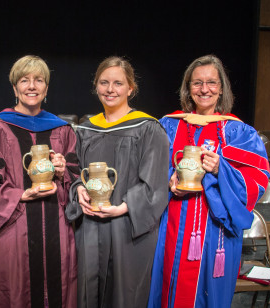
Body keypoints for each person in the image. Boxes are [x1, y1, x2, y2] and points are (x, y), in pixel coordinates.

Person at [147, 55, 270, 308]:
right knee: (169, 284)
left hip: (216, 229)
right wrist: (168, 175)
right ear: (188, 88)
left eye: (212, 83)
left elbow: (256, 179)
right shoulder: (168, 125)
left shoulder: (237, 132)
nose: (205, 89)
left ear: (221, 87)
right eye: (197, 83)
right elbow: (147, 168)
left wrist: (220, 169)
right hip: (172, 223)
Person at [65, 56, 169, 308]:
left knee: (125, 295)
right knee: (87, 293)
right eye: (104, 83)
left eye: (118, 83)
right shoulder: (86, 130)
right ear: (96, 86)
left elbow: (155, 183)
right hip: (89, 224)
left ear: (130, 88)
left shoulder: (148, 128)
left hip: (128, 226)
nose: (110, 89)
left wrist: (123, 207)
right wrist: (78, 189)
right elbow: (74, 172)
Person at [0, 55, 78, 308]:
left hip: (56, 224)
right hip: (14, 225)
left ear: (46, 88)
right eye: (24, 80)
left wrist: (63, 170)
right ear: (14, 88)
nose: (31, 86)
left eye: (39, 80)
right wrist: (21, 195)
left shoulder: (62, 129)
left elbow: (76, 182)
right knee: (14, 290)